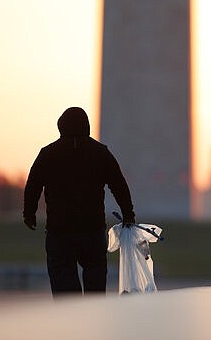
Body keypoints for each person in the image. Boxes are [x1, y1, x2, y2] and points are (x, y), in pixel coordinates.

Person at [23, 107, 135, 297]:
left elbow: (33, 185)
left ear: (61, 126)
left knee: (65, 294)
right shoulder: (100, 153)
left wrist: (29, 213)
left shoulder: (49, 153)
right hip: (92, 231)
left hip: (60, 232)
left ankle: (72, 325)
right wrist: (128, 214)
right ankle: (93, 322)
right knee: (95, 290)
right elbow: (119, 185)